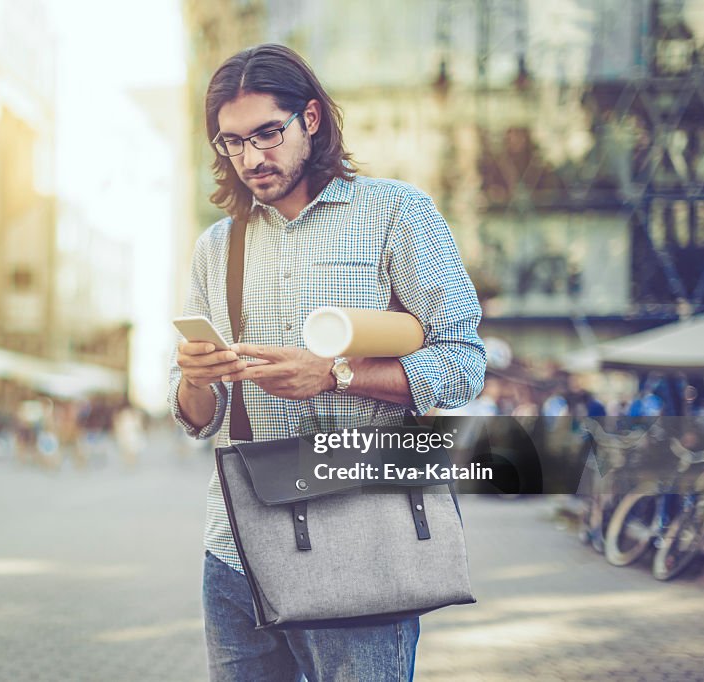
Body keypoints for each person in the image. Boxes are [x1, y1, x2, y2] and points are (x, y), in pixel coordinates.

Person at [168, 44, 486, 681]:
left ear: (310, 119)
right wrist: (195, 380)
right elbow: (196, 418)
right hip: (237, 546)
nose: (252, 157)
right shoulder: (217, 246)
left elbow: (463, 363)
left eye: (267, 133)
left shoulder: (397, 212)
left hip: (361, 532)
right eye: (231, 142)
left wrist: (335, 374)